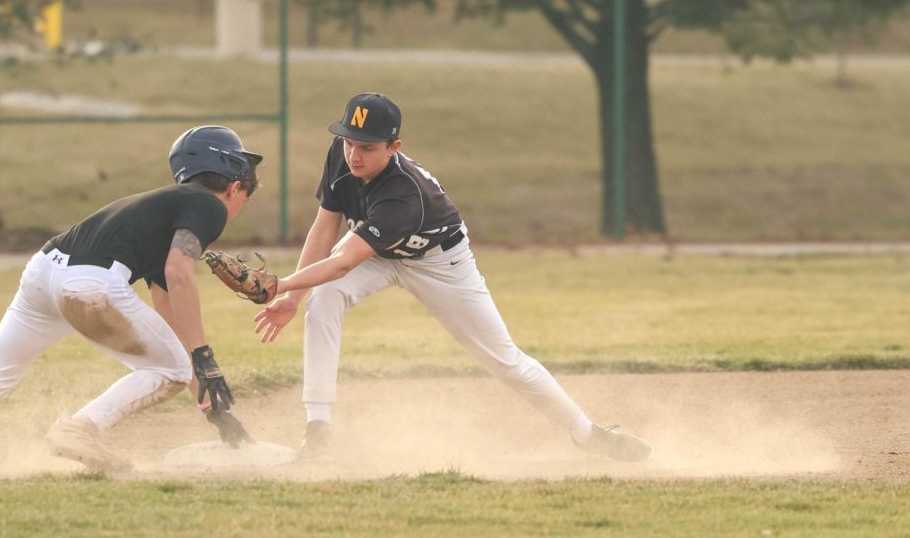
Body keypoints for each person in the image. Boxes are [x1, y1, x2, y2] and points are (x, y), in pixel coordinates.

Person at [254, 93, 651, 463]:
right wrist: (292, 297)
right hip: (375, 252)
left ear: (395, 147)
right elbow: (326, 228)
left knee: (504, 360)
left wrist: (282, 284)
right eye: (349, 142)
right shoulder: (344, 155)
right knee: (323, 299)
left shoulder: (404, 194)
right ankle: (318, 428)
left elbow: (342, 260)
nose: (354, 154)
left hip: (439, 263)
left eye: (368, 147)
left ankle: (586, 433)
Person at [0, 126, 260, 473]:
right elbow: (178, 273)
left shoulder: (160, 211)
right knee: (169, 369)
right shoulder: (208, 205)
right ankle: (81, 429)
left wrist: (212, 408)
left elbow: (168, 316)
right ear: (236, 182)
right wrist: (203, 359)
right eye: (247, 194)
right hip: (88, 283)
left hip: (43, 273)